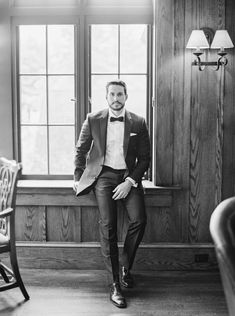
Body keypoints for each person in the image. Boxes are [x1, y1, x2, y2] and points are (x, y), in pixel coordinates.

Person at [74, 80, 151, 308]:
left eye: (120, 94)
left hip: (128, 176)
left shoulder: (138, 121)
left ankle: (125, 265)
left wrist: (130, 181)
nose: (116, 98)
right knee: (108, 226)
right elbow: (81, 150)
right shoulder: (93, 119)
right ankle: (115, 283)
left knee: (139, 220)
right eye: (112, 94)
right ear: (106, 96)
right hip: (103, 176)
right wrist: (78, 178)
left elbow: (145, 158)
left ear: (126, 96)